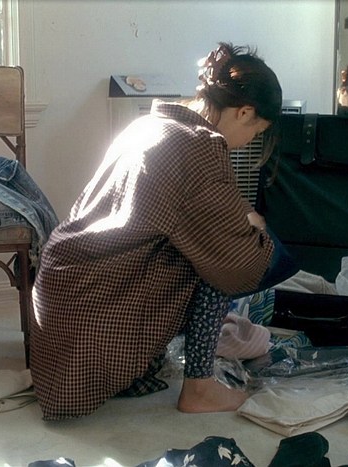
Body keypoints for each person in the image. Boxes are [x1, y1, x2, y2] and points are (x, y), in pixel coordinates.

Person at [29, 42, 298, 421]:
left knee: (207, 244)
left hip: (63, 296)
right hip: (92, 314)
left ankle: (138, 371)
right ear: (245, 112)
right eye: (258, 131)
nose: (252, 141)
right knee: (232, 258)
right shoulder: (201, 145)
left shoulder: (149, 124)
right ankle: (199, 389)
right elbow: (237, 260)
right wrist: (253, 227)